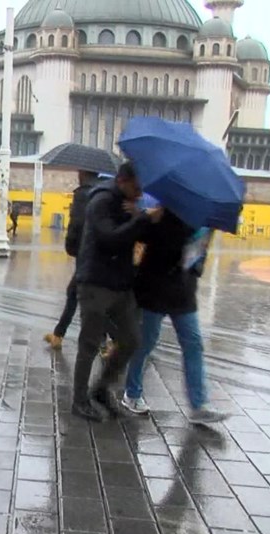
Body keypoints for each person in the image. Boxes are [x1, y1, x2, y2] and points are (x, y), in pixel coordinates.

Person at [71, 162, 163, 421]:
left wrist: (144, 219)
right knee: (89, 343)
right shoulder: (101, 200)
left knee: (132, 339)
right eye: (136, 187)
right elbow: (109, 237)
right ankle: (79, 401)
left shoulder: (128, 203)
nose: (139, 193)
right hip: (96, 283)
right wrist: (141, 218)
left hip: (121, 285)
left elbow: (139, 236)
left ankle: (101, 389)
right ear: (122, 180)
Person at [122, 213, 228, 424]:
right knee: (146, 342)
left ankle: (199, 405)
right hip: (155, 290)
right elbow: (143, 244)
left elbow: (196, 263)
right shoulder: (160, 216)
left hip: (183, 293)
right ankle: (131, 393)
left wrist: (202, 245)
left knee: (193, 343)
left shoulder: (202, 224)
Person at [45, 170, 100, 350]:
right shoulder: (103, 192)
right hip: (100, 252)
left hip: (85, 252)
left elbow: (76, 224)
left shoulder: (83, 194)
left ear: (83, 174)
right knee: (79, 293)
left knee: (77, 294)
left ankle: (109, 341)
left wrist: (71, 247)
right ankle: (59, 334)